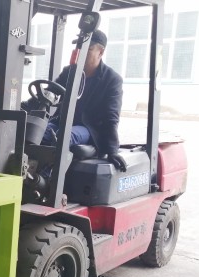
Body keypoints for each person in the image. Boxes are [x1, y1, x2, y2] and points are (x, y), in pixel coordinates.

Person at [25, 30, 127, 172]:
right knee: (34, 131)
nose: (81, 52)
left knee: (64, 136)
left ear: (100, 52)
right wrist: (22, 108)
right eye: (79, 47)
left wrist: (112, 151)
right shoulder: (69, 72)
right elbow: (48, 94)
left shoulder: (112, 80)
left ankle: (46, 179)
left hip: (88, 128)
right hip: (61, 122)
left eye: (88, 49)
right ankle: (25, 171)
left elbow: (111, 117)